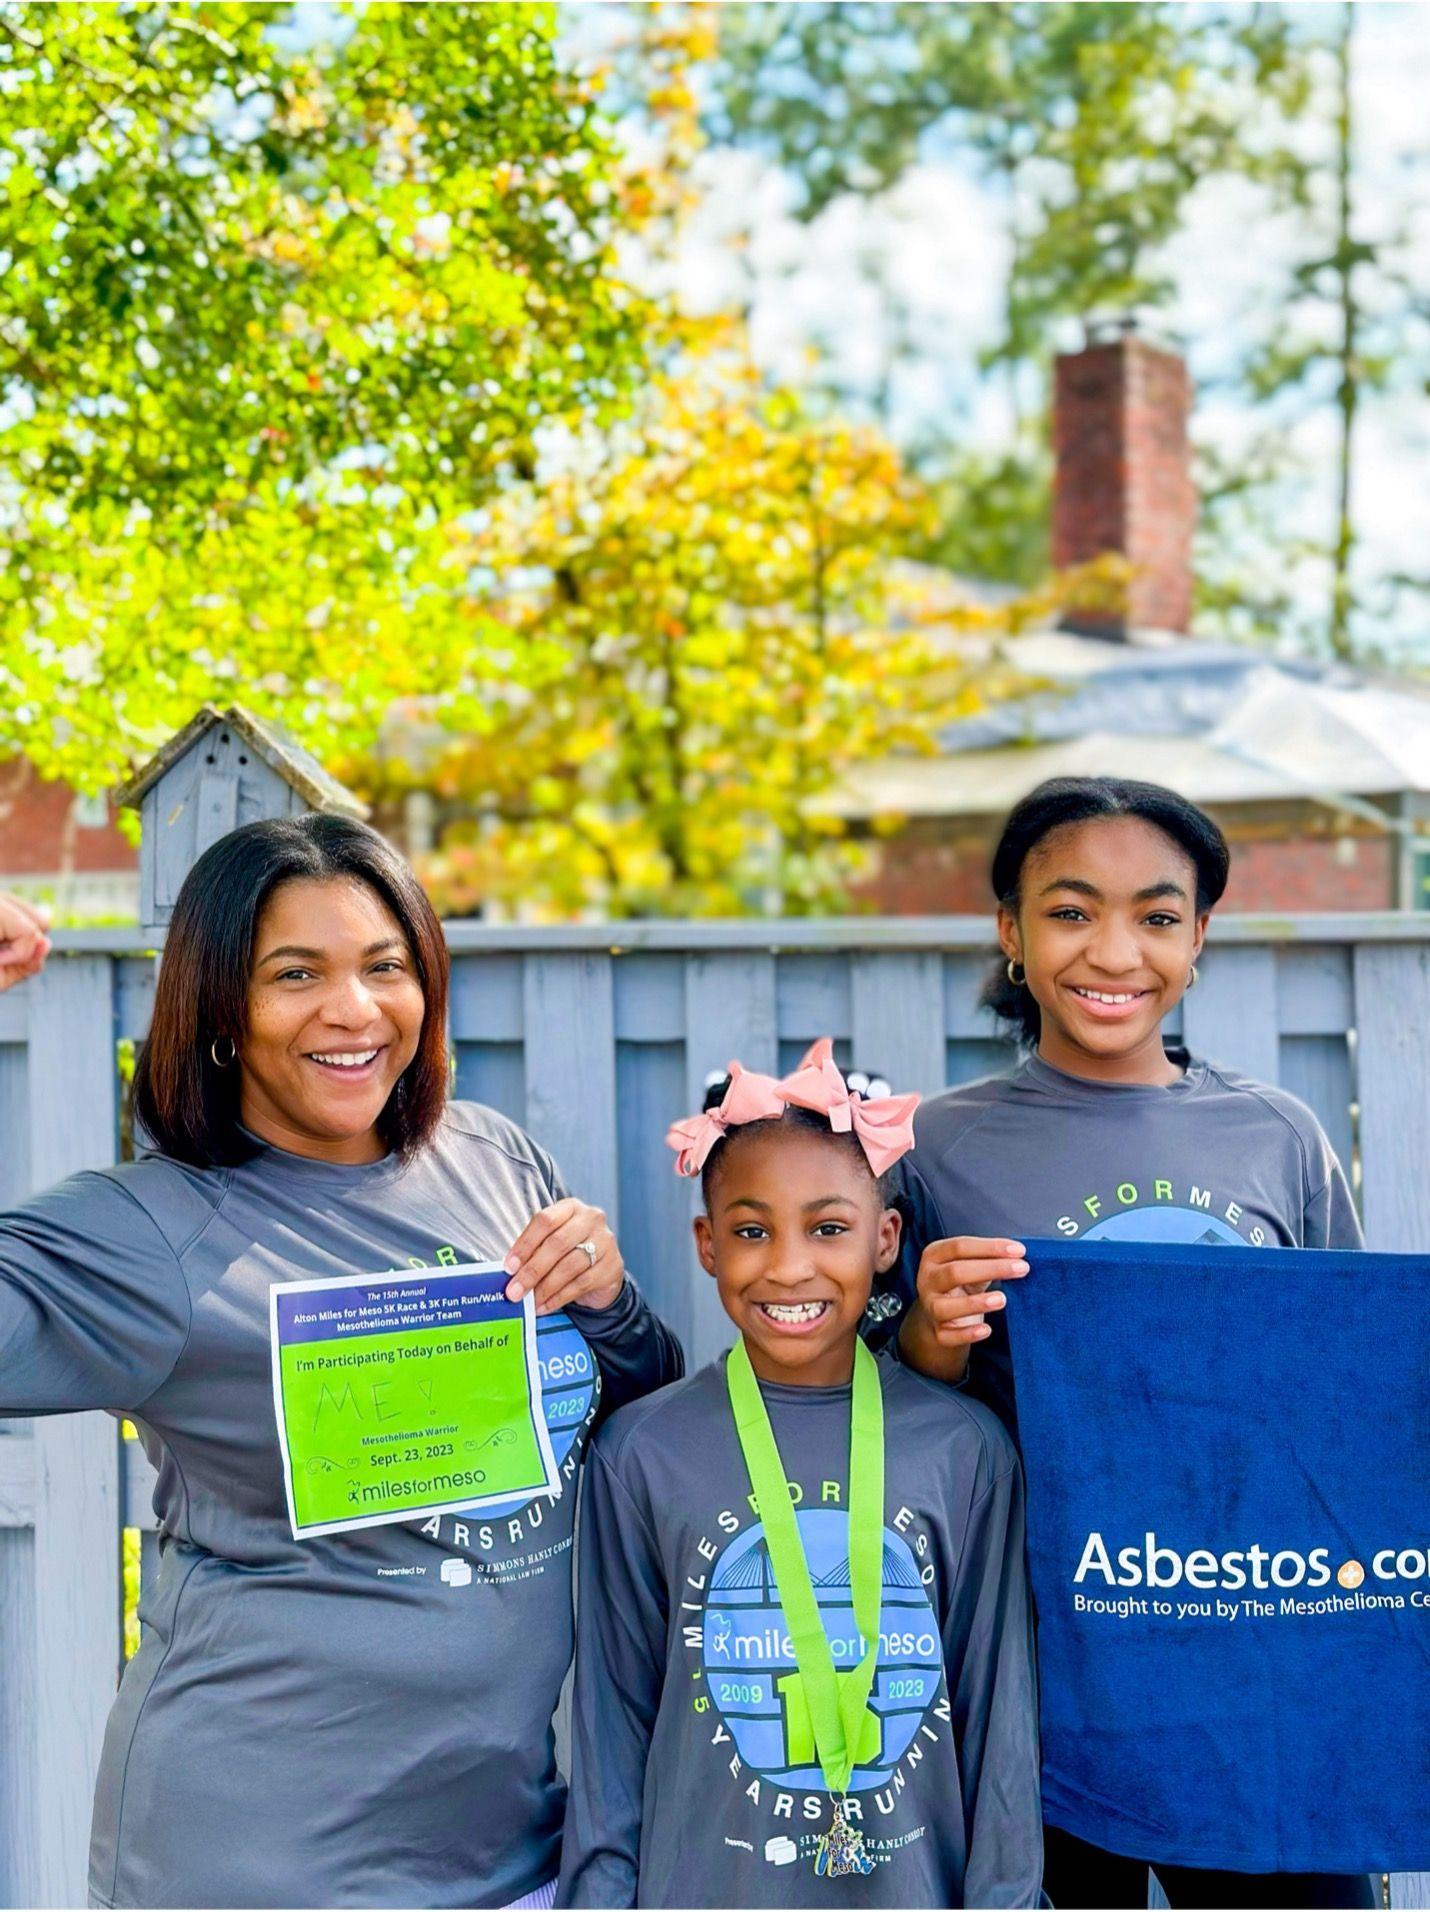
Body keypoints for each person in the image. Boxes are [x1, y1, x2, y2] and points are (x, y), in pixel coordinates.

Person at [0, 815, 683, 1911]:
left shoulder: (492, 1156)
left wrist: (610, 1305)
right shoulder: (153, 1233)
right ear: (223, 1008)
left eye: (384, 965)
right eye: (294, 974)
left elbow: (643, 1421)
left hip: (508, 1853)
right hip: (260, 1867)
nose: (353, 1009)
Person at [889, 776, 1374, 1912]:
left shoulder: (1278, 1135)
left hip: (1255, 1662)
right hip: (1046, 1673)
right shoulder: (933, 1145)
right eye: (1069, 911)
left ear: (1197, 936)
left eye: (1155, 916)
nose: (1113, 950)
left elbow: (1344, 1397)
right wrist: (926, 1331)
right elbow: (886, 1427)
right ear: (1009, 930)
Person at [557, 1040, 1042, 1909]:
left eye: (828, 1228)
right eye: (751, 1230)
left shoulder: (965, 1451)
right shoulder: (640, 1453)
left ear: (886, 1238)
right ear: (707, 1245)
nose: (788, 1266)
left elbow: (996, 1724)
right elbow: (610, 1731)